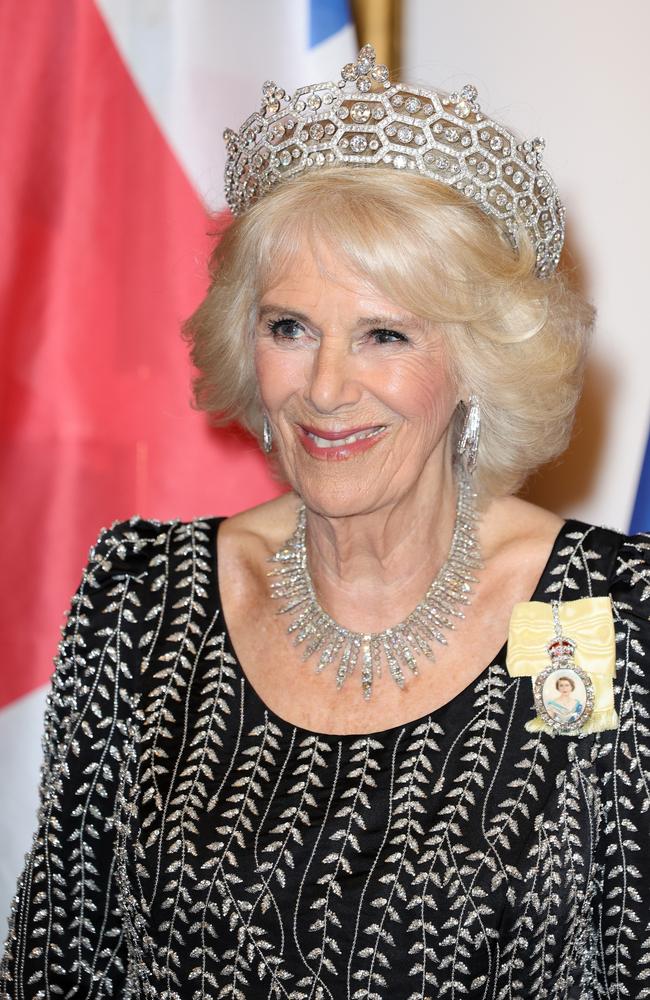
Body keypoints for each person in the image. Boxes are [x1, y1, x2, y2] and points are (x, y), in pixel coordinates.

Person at [2, 43, 649, 1000]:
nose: (325, 389)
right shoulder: (145, 602)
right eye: (289, 328)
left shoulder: (597, 613)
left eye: (384, 335)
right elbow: (60, 963)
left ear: (476, 364)